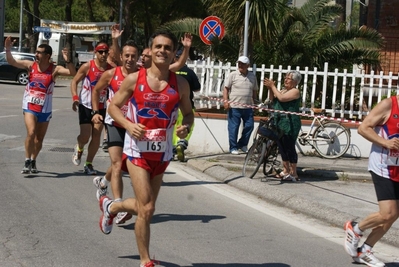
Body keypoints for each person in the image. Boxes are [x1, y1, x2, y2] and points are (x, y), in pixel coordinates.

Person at [100, 29, 194, 267]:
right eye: (158, 47)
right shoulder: (135, 79)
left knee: (146, 209)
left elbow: (189, 114)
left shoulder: (180, 84)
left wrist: (185, 128)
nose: (162, 51)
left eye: (168, 48)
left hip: (162, 154)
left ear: (174, 54)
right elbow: (112, 107)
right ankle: (145, 261)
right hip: (137, 152)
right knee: (148, 206)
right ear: (151, 51)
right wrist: (128, 125)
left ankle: (111, 206)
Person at [4, 36, 76, 173]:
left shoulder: (55, 69)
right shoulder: (31, 65)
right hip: (30, 105)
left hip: (45, 108)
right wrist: (7, 48)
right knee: (31, 132)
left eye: (39, 52)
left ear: (47, 55)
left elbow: (73, 73)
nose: (36, 54)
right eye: (36, 52)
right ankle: (26, 161)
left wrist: (68, 60)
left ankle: (33, 160)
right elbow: (12, 61)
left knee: (39, 138)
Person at [343, 95, 399, 267]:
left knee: (393, 215)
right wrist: (385, 143)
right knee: (387, 213)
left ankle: (366, 250)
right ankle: (355, 228)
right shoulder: (389, 105)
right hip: (383, 166)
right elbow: (363, 128)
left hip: (397, 168)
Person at [91, 40, 139, 225]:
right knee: (117, 164)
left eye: (133, 56)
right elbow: (96, 91)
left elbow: (173, 66)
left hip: (133, 125)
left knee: (125, 163)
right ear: (121, 57)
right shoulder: (111, 74)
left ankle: (103, 181)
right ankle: (118, 205)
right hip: (114, 123)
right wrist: (96, 112)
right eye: (126, 55)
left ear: (138, 58)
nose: (129, 59)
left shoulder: (141, 76)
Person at [263, 70, 302, 181]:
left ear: (295, 81)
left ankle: (293, 172)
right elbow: (272, 99)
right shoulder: (283, 90)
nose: (286, 80)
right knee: (281, 146)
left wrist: (273, 86)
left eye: (288, 78)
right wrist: (270, 88)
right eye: (285, 77)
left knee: (289, 146)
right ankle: (285, 170)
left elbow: (282, 98)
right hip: (279, 121)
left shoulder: (295, 91)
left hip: (290, 123)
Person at [223, 56, 258, 155]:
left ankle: (242, 144)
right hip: (234, 107)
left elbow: (254, 90)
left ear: (248, 65)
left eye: (243, 64)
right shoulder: (233, 75)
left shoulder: (252, 76)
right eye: (239, 63)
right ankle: (233, 147)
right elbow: (226, 89)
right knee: (233, 128)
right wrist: (226, 102)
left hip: (248, 107)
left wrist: (255, 104)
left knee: (249, 126)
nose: (240, 65)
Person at [172, 48, 201, 161]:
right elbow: (197, 88)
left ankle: (173, 148)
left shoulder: (170, 72)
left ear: (175, 58)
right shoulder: (190, 72)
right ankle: (181, 143)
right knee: (187, 126)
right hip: (187, 104)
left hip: (173, 106)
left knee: (174, 127)